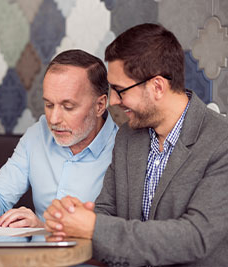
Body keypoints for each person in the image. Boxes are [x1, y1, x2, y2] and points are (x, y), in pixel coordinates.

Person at [44, 23, 228, 266]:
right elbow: (106, 211)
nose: (113, 101)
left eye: (120, 90)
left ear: (157, 87)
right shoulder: (127, 137)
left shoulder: (220, 141)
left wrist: (93, 227)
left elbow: (196, 237)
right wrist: (74, 218)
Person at [0, 49, 118, 228]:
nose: (54, 119)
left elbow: (116, 234)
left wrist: (42, 228)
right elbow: (0, 193)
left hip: (88, 255)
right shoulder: (37, 134)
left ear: (100, 106)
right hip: (35, 255)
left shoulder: (124, 150)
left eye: (68, 107)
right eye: (49, 105)